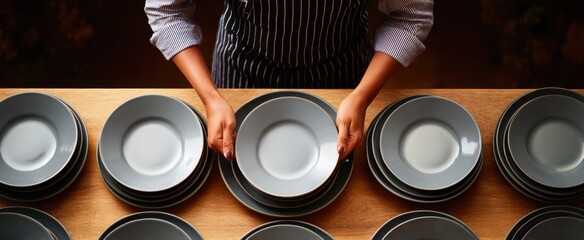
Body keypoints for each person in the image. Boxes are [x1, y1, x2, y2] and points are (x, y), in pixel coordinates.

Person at [145, 0, 433, 161]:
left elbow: (409, 15)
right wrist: (210, 97)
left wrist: (362, 96)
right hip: (242, 63)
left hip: (341, 69)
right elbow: (167, 9)